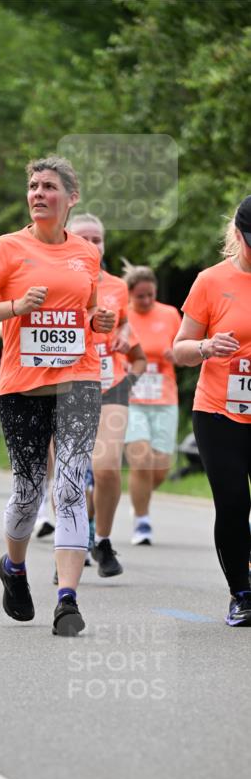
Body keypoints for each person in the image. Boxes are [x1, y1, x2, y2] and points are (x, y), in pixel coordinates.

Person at [0, 155, 116, 636]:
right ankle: (14, 567)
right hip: (23, 386)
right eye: (33, 186)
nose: (38, 194)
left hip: (78, 382)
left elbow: (88, 311)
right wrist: (13, 307)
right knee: (28, 493)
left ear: (71, 197)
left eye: (49, 186)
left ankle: (67, 599)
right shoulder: (7, 248)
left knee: (69, 487)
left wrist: (99, 321)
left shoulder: (85, 253)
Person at [173, 196, 251, 627]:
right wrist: (205, 346)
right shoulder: (210, 281)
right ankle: (242, 594)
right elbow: (179, 349)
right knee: (234, 500)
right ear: (238, 235)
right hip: (219, 411)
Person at [68, 214, 147, 576]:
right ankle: (70, 546)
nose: (91, 245)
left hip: (109, 385)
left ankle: (101, 540)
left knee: (107, 469)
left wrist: (125, 337)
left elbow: (126, 324)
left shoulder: (117, 286)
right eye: (83, 239)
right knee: (69, 476)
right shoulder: (57, 280)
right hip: (65, 387)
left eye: (96, 239)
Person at [123, 263, 181, 545]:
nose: (146, 300)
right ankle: (142, 522)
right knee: (141, 459)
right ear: (129, 295)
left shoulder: (170, 314)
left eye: (150, 295)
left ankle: (139, 498)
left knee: (160, 468)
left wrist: (177, 355)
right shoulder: (121, 315)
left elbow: (185, 348)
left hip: (164, 398)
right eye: (140, 296)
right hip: (131, 398)